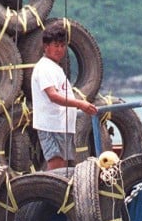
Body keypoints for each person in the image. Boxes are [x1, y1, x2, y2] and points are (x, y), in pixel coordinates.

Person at [31, 23, 98, 170]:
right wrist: (80, 104)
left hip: (63, 125)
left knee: (64, 168)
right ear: (46, 46)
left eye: (62, 46)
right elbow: (53, 96)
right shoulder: (44, 67)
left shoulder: (56, 68)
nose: (60, 49)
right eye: (56, 45)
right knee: (57, 166)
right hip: (51, 125)